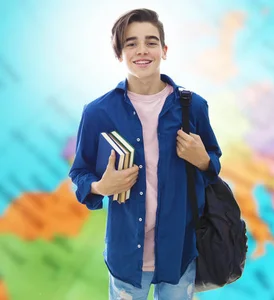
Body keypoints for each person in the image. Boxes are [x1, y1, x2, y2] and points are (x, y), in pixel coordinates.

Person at [68, 8, 222, 300]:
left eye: (151, 42)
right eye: (131, 43)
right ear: (119, 54)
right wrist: (102, 187)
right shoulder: (98, 112)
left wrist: (202, 158)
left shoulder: (193, 107)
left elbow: (212, 163)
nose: (142, 50)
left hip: (179, 251)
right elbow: (79, 173)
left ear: (164, 50)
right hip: (125, 254)